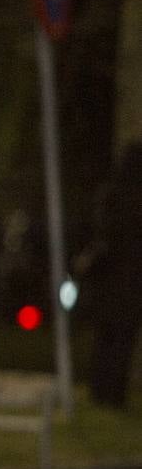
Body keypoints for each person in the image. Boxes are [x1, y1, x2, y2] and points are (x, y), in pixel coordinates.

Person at [80, 141, 142, 408]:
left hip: (109, 278)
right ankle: (113, 392)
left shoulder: (111, 194)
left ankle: (100, 389)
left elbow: (101, 233)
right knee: (122, 339)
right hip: (131, 279)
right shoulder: (132, 199)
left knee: (105, 337)